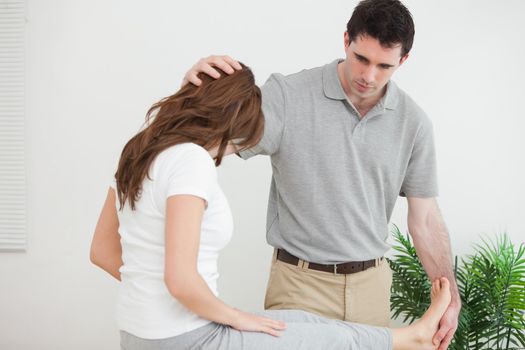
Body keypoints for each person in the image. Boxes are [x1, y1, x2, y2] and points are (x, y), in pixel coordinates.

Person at [90, 63, 452, 350]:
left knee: (309, 327)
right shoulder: (191, 160)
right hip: (188, 337)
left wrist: (165, 296)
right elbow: (180, 280)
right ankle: (413, 340)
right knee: (335, 340)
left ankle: (411, 338)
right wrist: (230, 315)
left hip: (142, 334)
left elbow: (103, 252)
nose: (233, 149)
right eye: (239, 136)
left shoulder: (139, 150)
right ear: (230, 119)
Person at [180, 0, 461, 349]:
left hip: (371, 288)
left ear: (403, 61)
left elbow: (426, 219)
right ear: (346, 40)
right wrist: (194, 91)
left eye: (384, 65)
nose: (368, 76)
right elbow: (210, 145)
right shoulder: (287, 95)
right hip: (299, 283)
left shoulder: (413, 123)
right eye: (361, 58)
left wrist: (450, 295)